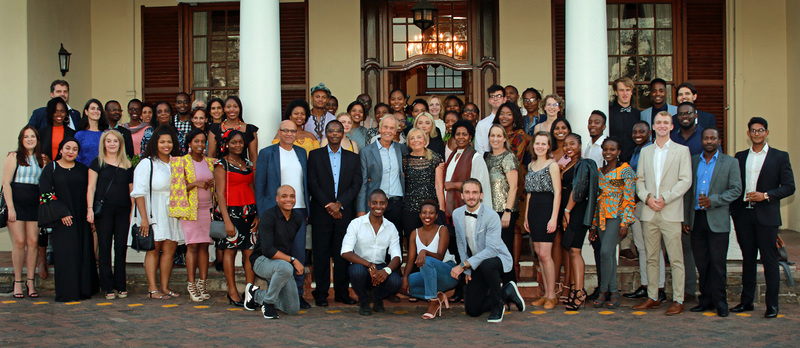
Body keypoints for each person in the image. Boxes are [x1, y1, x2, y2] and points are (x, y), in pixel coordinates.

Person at [730, 117, 795, 318]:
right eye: (753, 130)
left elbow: (789, 187)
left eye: (761, 130)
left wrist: (765, 195)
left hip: (767, 216)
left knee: (769, 261)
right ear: (748, 133)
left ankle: (772, 306)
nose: (757, 133)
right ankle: (746, 302)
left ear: (766, 133)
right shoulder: (739, 157)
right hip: (744, 215)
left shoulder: (779, 157)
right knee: (748, 260)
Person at [632, 111, 692, 316]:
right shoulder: (646, 152)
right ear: (654, 126)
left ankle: (678, 299)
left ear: (672, 126)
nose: (663, 125)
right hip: (649, 211)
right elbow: (639, 180)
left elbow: (685, 180)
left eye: (666, 122)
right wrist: (647, 198)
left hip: (671, 211)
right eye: (659, 122)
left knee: (676, 258)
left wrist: (665, 198)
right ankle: (653, 296)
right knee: (651, 257)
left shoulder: (681, 151)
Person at [683, 127, 741, 317]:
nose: (709, 141)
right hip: (696, 219)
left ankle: (720, 302)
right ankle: (705, 300)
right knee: (702, 263)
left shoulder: (730, 162)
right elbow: (688, 193)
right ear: (702, 140)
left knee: (717, 264)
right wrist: (685, 218)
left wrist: (713, 200)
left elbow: (736, 189)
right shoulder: (693, 161)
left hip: (717, 219)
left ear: (719, 140)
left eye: (713, 138)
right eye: (706, 138)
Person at [450, 179, 525, 322]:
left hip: (498, 259)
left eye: (474, 192)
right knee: (472, 310)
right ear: (462, 196)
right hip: (476, 262)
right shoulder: (457, 214)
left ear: (481, 195)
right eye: (467, 192)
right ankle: (506, 292)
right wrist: (466, 270)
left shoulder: (491, 216)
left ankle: (498, 306)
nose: (471, 196)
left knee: (487, 263)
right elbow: (460, 243)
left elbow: (491, 250)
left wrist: (463, 265)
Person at [255, 120, 310, 309]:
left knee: (298, 253)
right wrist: (264, 214)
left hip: (299, 210)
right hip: (275, 211)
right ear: (278, 132)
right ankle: (273, 296)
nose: (289, 134)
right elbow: (260, 186)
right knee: (278, 254)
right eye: (285, 130)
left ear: (297, 133)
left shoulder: (301, 153)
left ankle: (298, 294)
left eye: (293, 131)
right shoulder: (267, 154)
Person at [308, 120, 363, 307]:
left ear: (342, 134)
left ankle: (341, 292)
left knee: (343, 254)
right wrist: (329, 205)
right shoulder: (314, 156)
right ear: (326, 133)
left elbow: (357, 184)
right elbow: (312, 183)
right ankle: (321, 293)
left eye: (338, 131)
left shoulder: (353, 158)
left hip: (344, 213)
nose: (334, 133)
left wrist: (340, 204)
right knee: (321, 254)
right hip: (321, 213)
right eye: (330, 130)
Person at [40, 138, 98, 301]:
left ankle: (84, 290)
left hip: (82, 218)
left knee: (83, 253)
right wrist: (61, 213)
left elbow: (90, 191)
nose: (71, 151)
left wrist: (90, 214)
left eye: (74, 149)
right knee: (67, 255)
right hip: (62, 220)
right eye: (67, 148)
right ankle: (67, 292)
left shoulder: (82, 169)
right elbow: (45, 194)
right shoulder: (51, 168)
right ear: (60, 150)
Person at [132, 126, 183, 300]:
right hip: (153, 211)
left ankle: (165, 287)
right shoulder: (147, 163)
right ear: (155, 143)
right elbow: (138, 192)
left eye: (169, 141)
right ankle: (153, 288)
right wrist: (144, 219)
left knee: (170, 248)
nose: (166, 145)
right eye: (162, 142)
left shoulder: (176, 162)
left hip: (172, 211)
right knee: (154, 249)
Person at [244, 185, 304, 319]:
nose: (288, 199)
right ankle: (268, 303)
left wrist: (289, 262)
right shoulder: (268, 216)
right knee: (286, 267)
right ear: (277, 199)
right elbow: (268, 250)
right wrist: (293, 260)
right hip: (262, 260)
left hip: (282, 265)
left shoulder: (297, 219)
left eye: (292, 196)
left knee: (292, 308)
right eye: (284, 196)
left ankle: (256, 295)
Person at [169, 129, 215, 302]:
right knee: (192, 246)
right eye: (196, 141)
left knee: (204, 246)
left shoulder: (210, 162)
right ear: (189, 143)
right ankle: (191, 284)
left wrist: (213, 183)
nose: (200, 145)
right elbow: (176, 187)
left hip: (206, 209)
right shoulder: (181, 162)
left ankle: (202, 283)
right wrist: (195, 183)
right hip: (190, 210)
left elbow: (217, 185)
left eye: (203, 142)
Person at [623, 121, 667, 303]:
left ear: (650, 132)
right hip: (635, 205)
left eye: (642, 131)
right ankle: (646, 285)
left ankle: (660, 288)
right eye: (635, 131)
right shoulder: (635, 152)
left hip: (648, 203)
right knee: (641, 247)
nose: (638, 134)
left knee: (653, 248)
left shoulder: (653, 151)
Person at [86, 130, 133, 300]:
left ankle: (121, 285)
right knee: (104, 248)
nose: (112, 144)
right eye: (109, 141)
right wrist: (89, 209)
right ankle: (107, 287)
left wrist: (133, 212)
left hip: (123, 211)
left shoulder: (127, 164)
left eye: (116, 141)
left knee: (120, 248)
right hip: (103, 211)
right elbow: (91, 188)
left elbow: (131, 190)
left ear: (120, 143)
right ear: (103, 144)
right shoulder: (97, 163)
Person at [215, 129, 259, 307]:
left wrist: (258, 213)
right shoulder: (221, 164)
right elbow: (219, 193)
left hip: (249, 212)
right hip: (230, 212)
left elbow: (252, 187)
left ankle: (249, 291)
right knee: (230, 251)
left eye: (240, 142)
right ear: (226, 144)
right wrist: (226, 220)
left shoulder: (247, 163)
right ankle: (232, 290)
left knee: (250, 253)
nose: (238, 145)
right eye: (234, 142)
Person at [341, 189, 403, 316]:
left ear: (386, 204)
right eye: (375, 203)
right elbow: (345, 252)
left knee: (396, 282)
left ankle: (377, 298)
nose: (378, 206)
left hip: (380, 266)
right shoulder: (356, 223)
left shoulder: (391, 227)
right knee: (356, 272)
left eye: (382, 203)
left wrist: (386, 271)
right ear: (369, 203)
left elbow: (397, 257)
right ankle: (364, 301)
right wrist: (369, 265)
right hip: (361, 265)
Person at [590, 137, 635, 309]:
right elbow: (598, 200)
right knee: (608, 256)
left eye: (612, 149)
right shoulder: (600, 171)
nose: (608, 152)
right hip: (601, 219)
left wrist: (625, 222)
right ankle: (614, 292)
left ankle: (603, 291)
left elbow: (629, 198)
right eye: (605, 149)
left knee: (605, 252)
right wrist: (594, 225)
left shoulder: (625, 170)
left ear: (619, 152)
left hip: (616, 218)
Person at [3, 126, 48, 298]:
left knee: (33, 241)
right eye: (26, 136)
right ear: (21, 140)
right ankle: (17, 281)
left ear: (37, 139)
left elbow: (43, 183)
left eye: (33, 137)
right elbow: (6, 183)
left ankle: (30, 281)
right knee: (20, 242)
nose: (29, 139)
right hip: (17, 204)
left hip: (34, 205)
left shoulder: (41, 159)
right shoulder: (13, 157)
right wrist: (11, 208)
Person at [559, 134, 597, 310]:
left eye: (572, 144)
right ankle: (575, 289)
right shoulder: (569, 164)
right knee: (571, 249)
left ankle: (580, 291)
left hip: (576, 211)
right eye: (565, 144)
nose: (568, 147)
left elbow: (578, 189)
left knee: (575, 250)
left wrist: (567, 211)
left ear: (580, 145)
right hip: (568, 211)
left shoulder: (582, 164)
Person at [401, 200, 457, 319]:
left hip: (448, 273)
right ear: (420, 215)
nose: (427, 216)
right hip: (428, 275)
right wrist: (405, 277)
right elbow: (411, 260)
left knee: (427, 260)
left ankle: (433, 303)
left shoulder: (442, 230)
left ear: (436, 215)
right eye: (424, 213)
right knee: (403, 284)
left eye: (431, 213)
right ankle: (438, 296)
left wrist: (424, 251)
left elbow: (440, 256)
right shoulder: (414, 233)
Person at [524, 131, 561, 309]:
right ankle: (545, 293)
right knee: (539, 254)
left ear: (548, 146)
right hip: (534, 210)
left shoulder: (552, 165)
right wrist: (526, 217)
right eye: (537, 143)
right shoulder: (531, 165)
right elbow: (529, 193)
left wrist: (554, 218)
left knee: (546, 254)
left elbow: (558, 193)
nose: (540, 146)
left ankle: (552, 295)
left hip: (547, 209)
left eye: (543, 144)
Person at [357, 116, 408, 237]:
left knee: (396, 240)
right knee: (375, 240)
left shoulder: (401, 149)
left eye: (392, 128)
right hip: (376, 204)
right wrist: (361, 209)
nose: (388, 131)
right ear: (380, 128)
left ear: (396, 131)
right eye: (385, 127)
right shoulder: (366, 151)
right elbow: (363, 182)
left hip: (397, 203)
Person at [484, 125, 520, 283]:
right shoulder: (486, 157)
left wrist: (507, 211)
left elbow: (514, 187)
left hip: (504, 211)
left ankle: (509, 286)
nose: (495, 139)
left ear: (505, 138)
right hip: (489, 211)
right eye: (492, 135)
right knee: (491, 250)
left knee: (505, 250)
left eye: (499, 136)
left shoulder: (508, 157)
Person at [402, 127, 446, 251]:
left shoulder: (435, 158)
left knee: (431, 244)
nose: (416, 140)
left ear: (425, 140)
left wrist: (441, 208)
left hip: (430, 209)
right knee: (412, 245)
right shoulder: (405, 160)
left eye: (419, 137)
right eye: (412, 138)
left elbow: (438, 185)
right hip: (410, 208)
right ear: (408, 142)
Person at [443, 120, 493, 222]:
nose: (461, 137)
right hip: (451, 210)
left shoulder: (476, 157)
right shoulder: (453, 155)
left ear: (470, 137)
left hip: (470, 210)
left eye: (464, 134)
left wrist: (453, 185)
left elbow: (479, 186)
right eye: (458, 134)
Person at [208, 96, 259, 166]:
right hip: (221, 172)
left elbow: (253, 157)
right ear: (224, 109)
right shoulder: (215, 129)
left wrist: (255, 175)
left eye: (235, 106)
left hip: (243, 171)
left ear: (240, 109)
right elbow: (211, 156)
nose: (232, 110)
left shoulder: (250, 129)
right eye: (228, 107)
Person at [609, 77, 642, 162]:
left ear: (631, 92)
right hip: (614, 161)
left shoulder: (638, 114)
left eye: (627, 90)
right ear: (616, 92)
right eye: (621, 90)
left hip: (635, 161)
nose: (625, 93)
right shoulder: (609, 113)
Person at [39, 97, 77, 161]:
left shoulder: (72, 133)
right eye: (55, 111)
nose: (59, 114)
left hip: (65, 169)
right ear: (50, 113)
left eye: (62, 111)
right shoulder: (42, 132)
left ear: (66, 113)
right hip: (46, 169)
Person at [75, 99, 110, 166]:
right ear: (86, 112)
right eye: (92, 108)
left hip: (103, 172)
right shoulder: (80, 135)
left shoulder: (106, 134)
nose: (96, 111)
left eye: (98, 109)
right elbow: (76, 156)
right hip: (83, 172)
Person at [474, 84, 507, 154]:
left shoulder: (509, 121)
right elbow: (479, 150)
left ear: (504, 99)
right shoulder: (482, 124)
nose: (495, 99)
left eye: (499, 96)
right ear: (489, 100)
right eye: (492, 96)